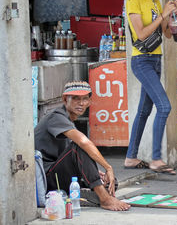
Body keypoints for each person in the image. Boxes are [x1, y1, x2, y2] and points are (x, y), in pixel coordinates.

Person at [34, 81, 130, 211]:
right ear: (64, 99)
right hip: (48, 179)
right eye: (75, 98)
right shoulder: (56, 116)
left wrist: (95, 172)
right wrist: (108, 167)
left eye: (85, 99)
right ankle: (104, 199)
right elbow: (83, 143)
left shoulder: (69, 121)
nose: (81, 103)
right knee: (79, 147)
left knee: (110, 181)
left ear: (90, 101)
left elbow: (72, 158)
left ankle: (83, 193)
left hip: (60, 174)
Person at [124, 0, 177, 175]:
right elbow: (141, 34)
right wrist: (163, 15)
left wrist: (172, 13)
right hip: (142, 61)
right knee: (164, 107)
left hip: (156, 60)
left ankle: (131, 157)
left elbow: (166, 34)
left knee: (144, 111)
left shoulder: (156, 3)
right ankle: (156, 158)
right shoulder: (133, 1)